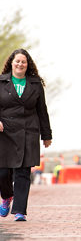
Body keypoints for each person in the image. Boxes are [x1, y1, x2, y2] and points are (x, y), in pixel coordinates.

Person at [0, 49, 52, 221]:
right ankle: (7, 196)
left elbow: (42, 110)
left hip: (28, 131)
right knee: (3, 172)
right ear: (11, 63)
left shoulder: (35, 84)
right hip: (5, 131)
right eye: (17, 61)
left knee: (23, 172)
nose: (20, 64)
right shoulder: (1, 82)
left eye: (23, 61)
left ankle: (20, 211)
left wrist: (47, 134)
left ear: (27, 64)